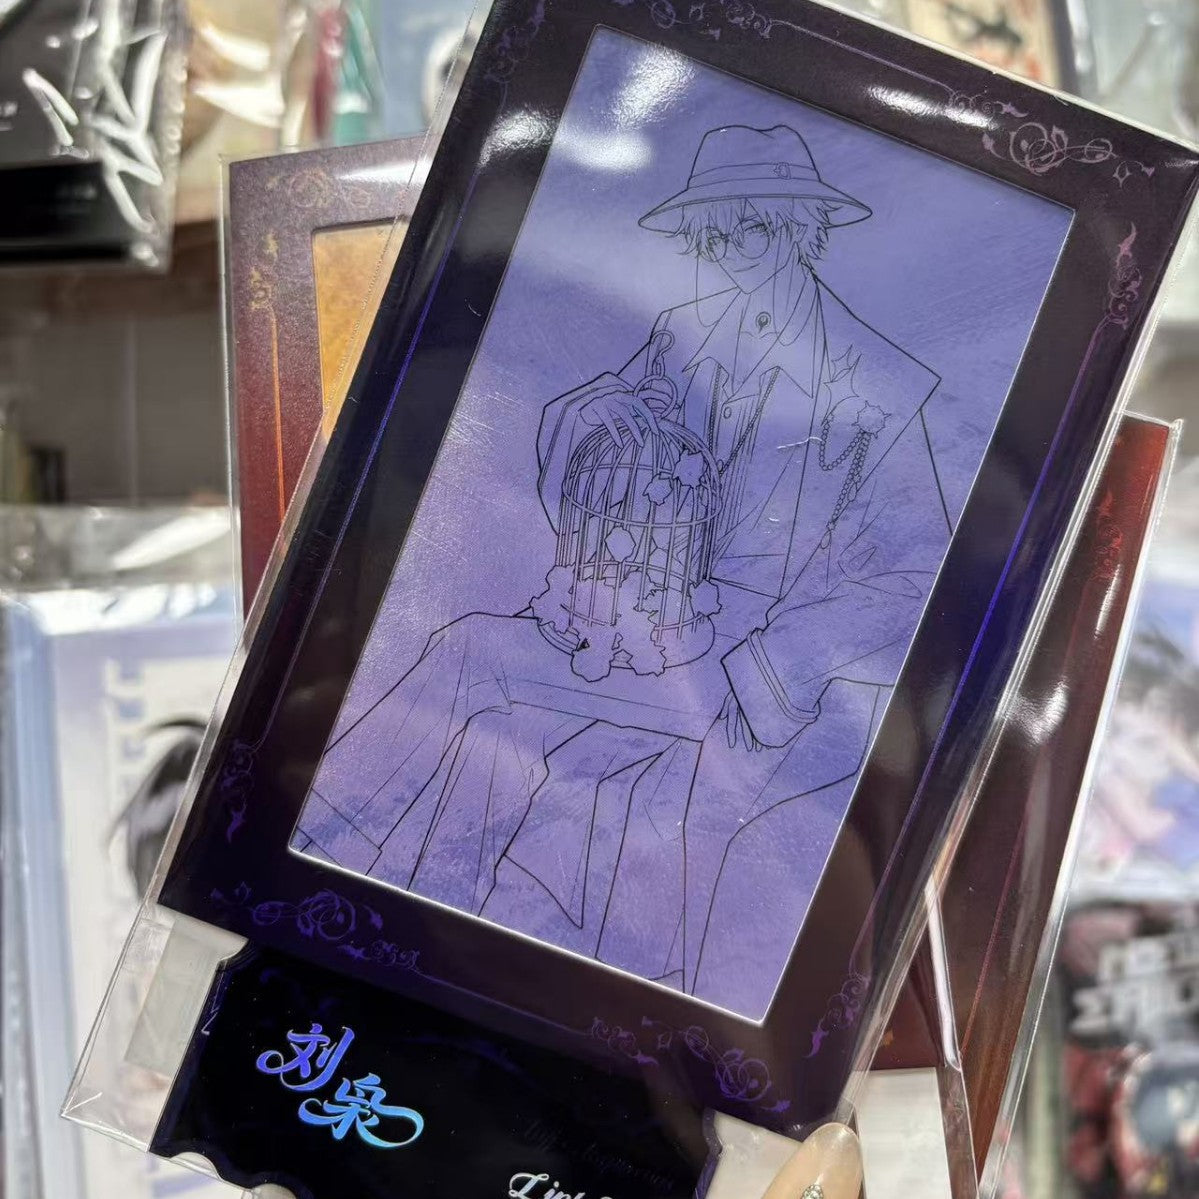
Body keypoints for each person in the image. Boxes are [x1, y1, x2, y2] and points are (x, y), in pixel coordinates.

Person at [302, 124, 952, 1016]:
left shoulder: (877, 386)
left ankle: (407, 922)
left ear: (802, 229)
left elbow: (914, 576)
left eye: (753, 227)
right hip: (635, 618)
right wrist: (594, 419)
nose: (731, 250)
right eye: (714, 232)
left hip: (745, 668)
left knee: (536, 726)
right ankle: (329, 871)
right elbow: (598, 435)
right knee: (465, 647)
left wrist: (770, 668)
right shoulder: (685, 333)